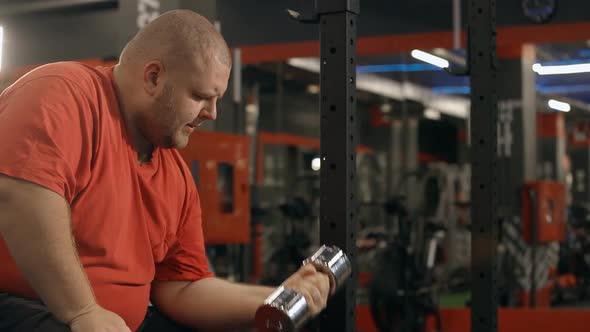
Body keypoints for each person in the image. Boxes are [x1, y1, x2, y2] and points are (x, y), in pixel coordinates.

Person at [0, 9, 330, 332]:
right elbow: (23, 200)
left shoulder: (175, 177)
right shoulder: (63, 93)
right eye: (201, 96)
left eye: (217, 100)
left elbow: (182, 288)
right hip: (27, 308)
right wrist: (83, 311)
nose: (212, 114)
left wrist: (279, 296)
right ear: (154, 77)